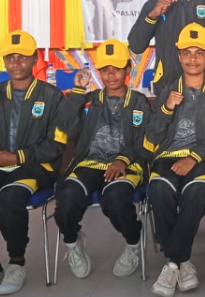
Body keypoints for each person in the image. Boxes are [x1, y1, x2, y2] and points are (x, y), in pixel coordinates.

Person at [0, 30, 67, 297]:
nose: (16, 63)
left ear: (35, 59)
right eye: (10, 57)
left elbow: (57, 144)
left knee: (10, 197)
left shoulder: (52, 96)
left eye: (22, 57)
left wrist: (18, 157)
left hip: (35, 166)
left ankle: (16, 263)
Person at [145, 23, 205, 297]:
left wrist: (193, 157)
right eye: (187, 53)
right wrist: (166, 108)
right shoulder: (166, 89)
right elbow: (153, 135)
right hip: (168, 156)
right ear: (179, 56)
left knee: (195, 193)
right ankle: (183, 263)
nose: (193, 59)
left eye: (199, 53)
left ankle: (172, 264)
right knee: (159, 190)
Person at [54, 39, 151, 280]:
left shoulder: (139, 102)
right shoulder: (89, 99)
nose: (111, 75)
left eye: (116, 68)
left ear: (128, 69)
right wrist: (77, 92)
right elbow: (67, 127)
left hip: (128, 165)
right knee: (66, 197)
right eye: (105, 69)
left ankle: (133, 243)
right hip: (90, 163)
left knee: (115, 198)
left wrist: (123, 160)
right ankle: (73, 242)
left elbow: (146, 142)